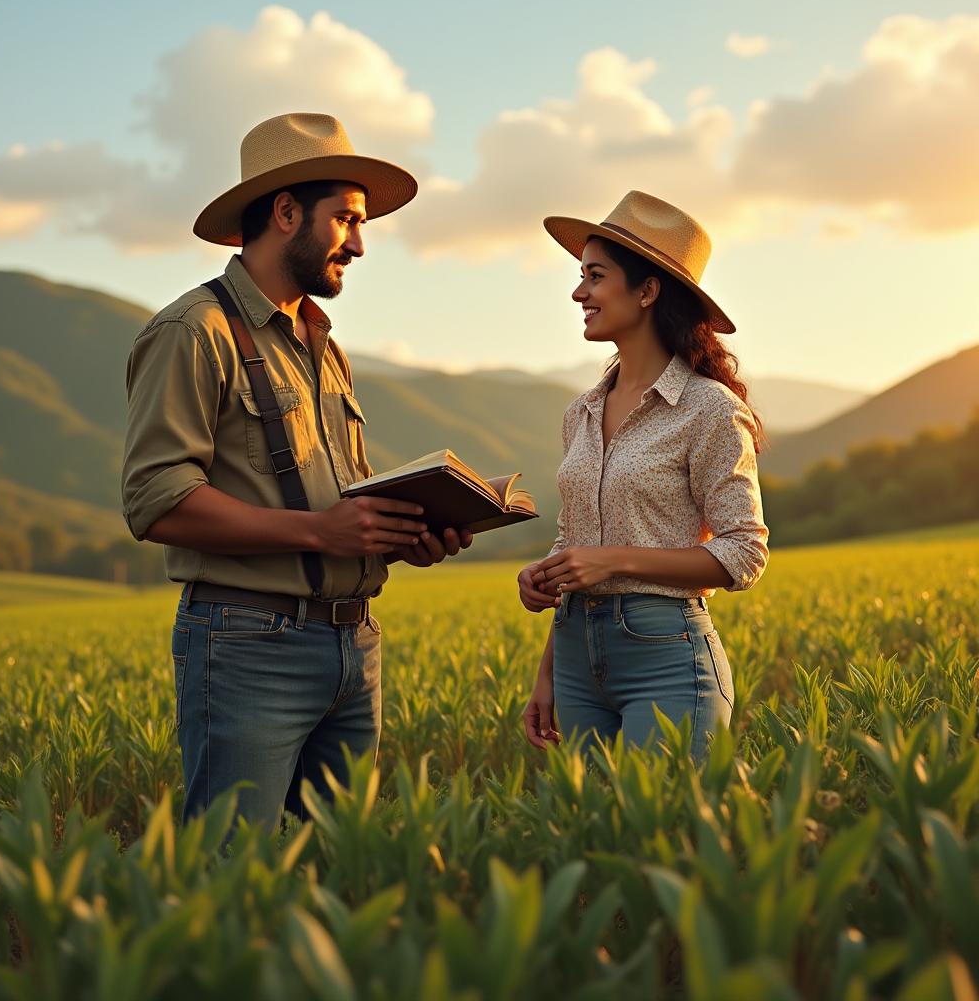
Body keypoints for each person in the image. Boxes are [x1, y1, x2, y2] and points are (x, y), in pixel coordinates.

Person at [121, 113, 471, 829]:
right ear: (286, 213)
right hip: (249, 644)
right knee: (232, 876)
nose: (362, 244)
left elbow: (340, 509)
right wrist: (320, 531)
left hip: (355, 644)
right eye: (347, 219)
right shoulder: (194, 331)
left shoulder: (323, 346)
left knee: (338, 876)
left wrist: (401, 535)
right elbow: (156, 501)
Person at [518, 190, 768, 760]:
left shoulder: (709, 408)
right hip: (576, 654)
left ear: (648, 290)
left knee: (663, 842)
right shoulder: (579, 411)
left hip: (666, 655)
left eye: (595, 276)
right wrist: (548, 658)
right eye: (581, 276)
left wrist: (614, 559)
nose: (579, 292)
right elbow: (576, 542)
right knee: (593, 836)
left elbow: (744, 553)